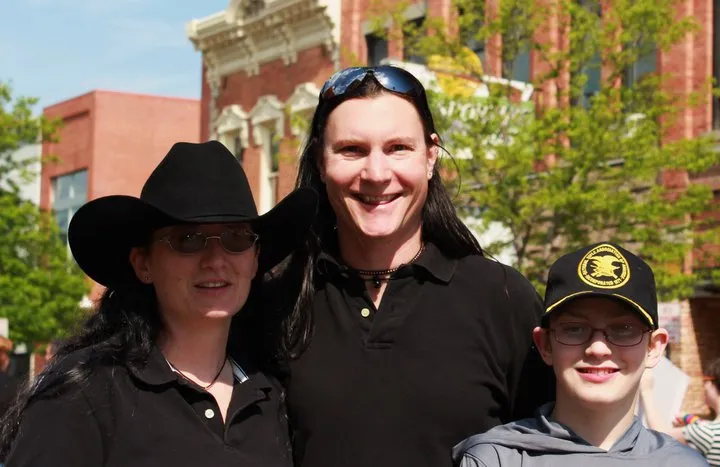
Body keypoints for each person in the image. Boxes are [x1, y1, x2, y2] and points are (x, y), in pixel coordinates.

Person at [273, 65, 554, 467]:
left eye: (398, 148)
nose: (376, 174)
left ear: (430, 156)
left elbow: (556, 449)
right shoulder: (278, 298)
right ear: (321, 162)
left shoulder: (502, 299)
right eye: (351, 150)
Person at [0, 141, 317, 466]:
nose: (215, 260)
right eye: (188, 240)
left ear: (255, 260)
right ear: (144, 264)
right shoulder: (86, 393)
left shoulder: (270, 394)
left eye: (236, 238)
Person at [454, 242, 708, 466]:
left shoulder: (683, 463)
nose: (598, 348)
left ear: (654, 347)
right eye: (574, 329)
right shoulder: (496, 459)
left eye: (623, 329)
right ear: (545, 345)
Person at [641, 357, 720, 465]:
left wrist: (646, 391)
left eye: (705, 380)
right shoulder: (711, 432)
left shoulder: (708, 434)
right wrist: (689, 419)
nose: (704, 385)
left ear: (712, 382)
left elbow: (661, 434)